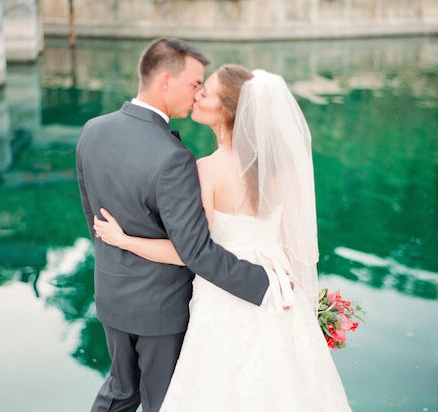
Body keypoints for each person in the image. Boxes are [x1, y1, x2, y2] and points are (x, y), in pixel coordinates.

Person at [94, 64, 352, 411]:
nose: (197, 95)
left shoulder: (207, 170)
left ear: (229, 111)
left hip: (224, 299)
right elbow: (292, 245)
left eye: (207, 92)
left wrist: (124, 240)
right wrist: (300, 297)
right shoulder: (282, 167)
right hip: (280, 292)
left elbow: (191, 252)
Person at [76, 39, 289, 412]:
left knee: (120, 392)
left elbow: (91, 216)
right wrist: (264, 284)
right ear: (165, 81)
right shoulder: (173, 158)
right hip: (161, 309)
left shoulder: (93, 130)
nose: (197, 94)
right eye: (195, 84)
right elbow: (196, 251)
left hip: (111, 294)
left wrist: (120, 245)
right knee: (166, 402)